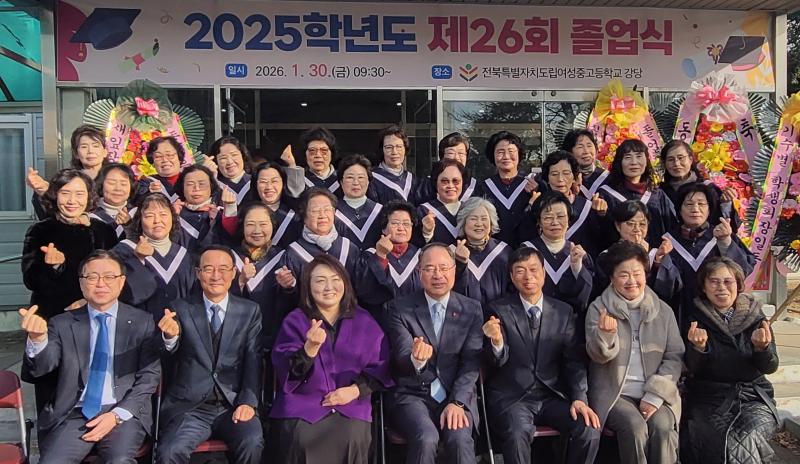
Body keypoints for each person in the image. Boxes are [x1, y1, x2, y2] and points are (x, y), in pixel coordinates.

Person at [21, 250, 160, 464]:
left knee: (119, 460)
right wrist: (38, 339)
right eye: (92, 277)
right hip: (75, 412)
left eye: (109, 276)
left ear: (121, 282)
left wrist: (117, 415)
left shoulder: (142, 322)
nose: (101, 283)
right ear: (81, 283)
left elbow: (149, 377)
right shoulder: (62, 323)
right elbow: (42, 368)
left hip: (123, 412)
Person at [271, 254, 393, 463]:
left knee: (353, 436)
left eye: (336, 280)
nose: (329, 287)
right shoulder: (296, 320)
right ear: (308, 286)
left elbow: (381, 366)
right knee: (300, 438)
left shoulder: (364, 321)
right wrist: (309, 349)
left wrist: (355, 390)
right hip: (303, 406)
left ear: (345, 283)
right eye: (320, 281)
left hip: (351, 405)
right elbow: (286, 372)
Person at [483, 247, 601, 464]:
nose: (528, 277)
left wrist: (579, 398)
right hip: (513, 398)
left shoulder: (563, 312)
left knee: (589, 429)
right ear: (512, 277)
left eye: (533, 269)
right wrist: (497, 342)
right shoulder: (498, 310)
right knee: (517, 434)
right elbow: (496, 361)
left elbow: (573, 362)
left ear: (544, 273)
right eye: (520, 271)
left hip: (551, 395)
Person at [155, 245, 264, 464]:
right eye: (208, 269)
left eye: (223, 269)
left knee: (252, 442)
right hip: (190, 408)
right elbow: (167, 356)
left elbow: (253, 359)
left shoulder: (249, 311)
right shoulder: (180, 308)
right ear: (198, 273)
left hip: (233, 404)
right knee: (169, 452)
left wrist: (248, 403)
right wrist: (169, 337)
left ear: (233, 273)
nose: (216, 276)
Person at [585, 241, 685, 464]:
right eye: (623, 275)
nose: (632, 281)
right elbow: (596, 355)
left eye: (637, 273)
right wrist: (605, 336)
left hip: (656, 393)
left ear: (646, 275)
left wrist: (655, 395)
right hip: (616, 394)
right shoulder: (599, 308)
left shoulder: (663, 310)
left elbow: (674, 356)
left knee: (663, 427)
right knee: (635, 427)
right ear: (612, 278)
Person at [384, 243, 484, 464]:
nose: (437, 275)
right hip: (412, 396)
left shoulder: (472, 309)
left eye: (443, 268)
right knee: (426, 437)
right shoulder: (399, 308)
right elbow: (401, 357)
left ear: (454, 270)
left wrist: (457, 402)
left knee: (459, 437)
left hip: (456, 394)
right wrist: (416, 360)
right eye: (429, 269)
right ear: (419, 272)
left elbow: (471, 363)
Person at [681, 257, 779, 464]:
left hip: (752, 397)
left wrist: (761, 349)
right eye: (714, 282)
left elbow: (770, 367)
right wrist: (698, 349)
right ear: (704, 287)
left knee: (747, 436)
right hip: (708, 399)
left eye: (728, 282)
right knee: (711, 439)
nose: (721, 288)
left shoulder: (756, 317)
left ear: (739, 285)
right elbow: (691, 368)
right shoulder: (694, 318)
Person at [22, 169, 119, 321]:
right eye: (65, 193)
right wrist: (54, 267)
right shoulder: (41, 230)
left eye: (79, 194)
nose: (72, 201)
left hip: (96, 313)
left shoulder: (103, 230)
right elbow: (30, 281)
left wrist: (89, 301)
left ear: (89, 197)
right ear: (55, 195)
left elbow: (116, 276)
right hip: (52, 316)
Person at [664, 182, 755, 329]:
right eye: (689, 204)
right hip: (679, 313)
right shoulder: (668, 241)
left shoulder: (720, 235)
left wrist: (725, 242)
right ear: (679, 209)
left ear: (709, 209)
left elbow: (742, 271)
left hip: (717, 313)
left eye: (701, 204)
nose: (695, 209)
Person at [113, 193, 195, 320]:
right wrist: (137, 260)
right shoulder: (124, 250)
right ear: (140, 220)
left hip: (178, 326)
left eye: (163, 215)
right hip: (138, 326)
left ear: (172, 217)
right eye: (150, 216)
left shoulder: (183, 254)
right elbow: (119, 292)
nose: (157, 221)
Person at [592, 200, 682, 306]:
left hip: (653, 310)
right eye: (630, 224)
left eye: (642, 224)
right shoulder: (607, 256)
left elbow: (669, 291)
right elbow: (602, 291)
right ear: (618, 226)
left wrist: (659, 262)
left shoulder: (656, 254)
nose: (637, 229)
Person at [520, 191, 594, 316]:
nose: (555, 222)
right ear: (539, 222)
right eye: (548, 217)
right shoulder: (526, 251)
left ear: (569, 220)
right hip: (535, 319)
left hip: (570, 321)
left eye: (560, 217)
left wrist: (577, 268)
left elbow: (584, 300)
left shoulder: (579, 254)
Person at [597, 139, 676, 251]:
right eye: (628, 157)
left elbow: (671, 228)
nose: (634, 162)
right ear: (620, 162)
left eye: (639, 156)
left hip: (655, 257)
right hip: (619, 257)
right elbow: (598, 233)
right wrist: (601, 215)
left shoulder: (657, 195)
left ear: (647, 161)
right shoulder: (606, 194)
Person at [528, 150, 608, 256]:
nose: (560, 179)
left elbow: (599, 240)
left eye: (566, 173)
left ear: (574, 177)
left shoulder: (587, 207)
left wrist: (602, 215)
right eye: (554, 174)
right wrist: (530, 208)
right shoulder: (538, 205)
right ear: (547, 178)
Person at [230, 202, 286, 348]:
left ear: (273, 226)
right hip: (236, 338)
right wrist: (240, 281)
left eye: (263, 224)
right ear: (242, 227)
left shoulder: (283, 257)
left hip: (273, 338)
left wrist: (289, 287)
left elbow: (288, 303)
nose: (257, 230)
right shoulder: (230, 257)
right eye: (250, 224)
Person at [282, 188, 362, 288]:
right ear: (304, 216)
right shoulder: (294, 253)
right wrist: (289, 286)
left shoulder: (349, 249)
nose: (322, 215)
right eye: (315, 211)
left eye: (327, 209)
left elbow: (360, 289)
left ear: (334, 213)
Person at [357, 201, 422, 318]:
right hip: (380, 320)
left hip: (416, 319)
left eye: (406, 224)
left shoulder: (421, 256)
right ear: (384, 229)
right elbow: (365, 292)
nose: (401, 228)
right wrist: (380, 257)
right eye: (395, 223)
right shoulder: (369, 256)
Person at [27, 125, 108, 219]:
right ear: (76, 153)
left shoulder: (117, 178)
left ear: (105, 152)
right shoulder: (66, 180)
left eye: (95, 146)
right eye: (84, 146)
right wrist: (45, 192)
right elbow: (49, 217)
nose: (90, 151)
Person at [658, 139, 739, 228]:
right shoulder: (660, 193)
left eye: (681, 158)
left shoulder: (708, 187)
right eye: (670, 159)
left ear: (690, 159)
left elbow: (728, 225)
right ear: (664, 163)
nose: (677, 163)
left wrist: (726, 203)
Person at [452, 197, 512, 308]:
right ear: (463, 222)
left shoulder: (504, 251)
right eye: (473, 219)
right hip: (463, 314)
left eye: (484, 219)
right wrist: (460, 263)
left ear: (491, 223)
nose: (479, 224)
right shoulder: (450, 252)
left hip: (499, 314)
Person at [482, 131, 538, 246]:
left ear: (519, 154)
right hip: (495, 250)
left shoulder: (532, 185)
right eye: (500, 152)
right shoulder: (484, 188)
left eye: (511, 151)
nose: (506, 156)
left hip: (527, 248)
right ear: (492, 155)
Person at [174, 164, 234, 251]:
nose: (196, 188)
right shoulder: (175, 212)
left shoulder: (223, 211)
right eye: (190, 184)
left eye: (202, 184)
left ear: (211, 186)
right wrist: (173, 218)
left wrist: (215, 220)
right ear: (182, 187)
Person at [245, 161, 302, 249]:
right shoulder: (246, 213)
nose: (269, 187)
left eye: (274, 181)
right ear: (255, 185)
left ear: (283, 183)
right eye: (263, 182)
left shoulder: (295, 215)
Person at [335, 155, 384, 251]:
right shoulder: (332, 211)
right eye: (350, 177)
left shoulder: (380, 211)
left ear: (368, 181)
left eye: (361, 177)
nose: (356, 183)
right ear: (341, 182)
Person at [417, 132, 482, 203]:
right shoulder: (426, 185)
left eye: (461, 153)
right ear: (442, 156)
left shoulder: (475, 187)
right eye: (451, 153)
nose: (456, 157)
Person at [417, 158, 467, 246]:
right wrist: (427, 233)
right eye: (444, 181)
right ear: (435, 183)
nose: (450, 186)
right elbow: (416, 246)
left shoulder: (470, 210)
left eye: (456, 181)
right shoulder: (423, 211)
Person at [281, 126, 342, 197]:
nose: (318, 155)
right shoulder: (300, 180)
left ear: (332, 153)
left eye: (324, 151)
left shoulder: (342, 178)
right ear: (305, 154)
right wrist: (292, 165)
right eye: (312, 151)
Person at [368, 125, 420, 205]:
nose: (394, 152)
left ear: (405, 149)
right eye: (389, 147)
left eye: (399, 147)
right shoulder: (371, 179)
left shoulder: (414, 181)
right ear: (381, 150)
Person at [135, 136, 189, 203]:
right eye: (158, 156)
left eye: (169, 155)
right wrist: (148, 194)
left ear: (179, 158)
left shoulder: (192, 180)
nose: (165, 160)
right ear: (153, 163)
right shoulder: (146, 184)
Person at [89, 163, 136, 239]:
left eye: (123, 184)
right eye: (111, 183)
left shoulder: (138, 214)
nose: (118, 188)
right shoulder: (89, 215)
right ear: (101, 185)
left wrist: (129, 225)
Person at [560, 129, 608, 198]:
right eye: (580, 147)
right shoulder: (562, 179)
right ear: (569, 152)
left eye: (589, 145)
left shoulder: (607, 178)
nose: (586, 151)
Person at [210, 135, 252, 205]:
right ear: (215, 162)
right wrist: (208, 176)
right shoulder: (214, 186)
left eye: (234, 155)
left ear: (243, 155)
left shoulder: (255, 182)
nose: (230, 162)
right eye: (223, 158)